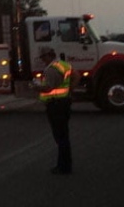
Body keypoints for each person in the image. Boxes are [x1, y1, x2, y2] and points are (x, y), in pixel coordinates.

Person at [37, 46, 73, 175]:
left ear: (48, 56)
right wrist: (69, 90)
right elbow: (77, 76)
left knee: (60, 137)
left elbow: (48, 88)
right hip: (64, 103)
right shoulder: (64, 65)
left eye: (43, 58)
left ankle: (63, 167)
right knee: (64, 136)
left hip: (55, 105)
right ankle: (65, 164)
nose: (42, 60)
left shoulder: (51, 69)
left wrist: (35, 87)